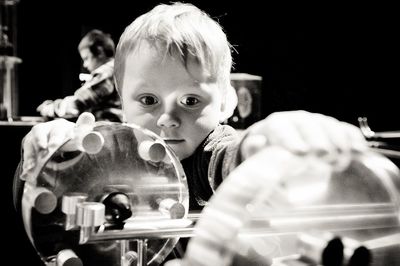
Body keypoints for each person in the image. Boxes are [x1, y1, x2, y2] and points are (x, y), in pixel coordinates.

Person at [14, 2, 369, 265]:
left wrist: (264, 140)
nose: (168, 118)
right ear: (121, 101)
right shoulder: (106, 151)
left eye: (190, 100)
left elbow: (231, 159)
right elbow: (41, 203)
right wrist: (45, 157)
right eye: (149, 99)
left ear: (225, 102)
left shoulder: (208, 153)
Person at [36, 29, 123, 122]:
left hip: (107, 132)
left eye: (86, 58)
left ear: (100, 51)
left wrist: (49, 108)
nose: (85, 65)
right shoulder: (119, 69)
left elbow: (78, 104)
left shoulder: (107, 72)